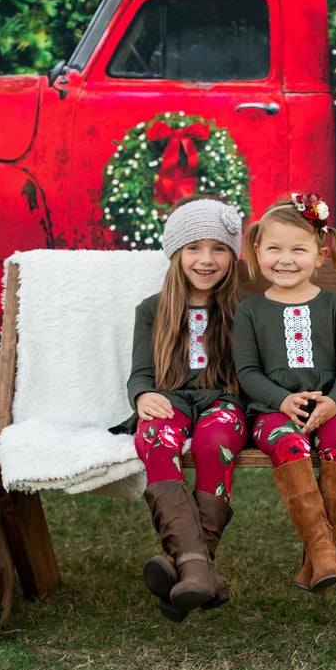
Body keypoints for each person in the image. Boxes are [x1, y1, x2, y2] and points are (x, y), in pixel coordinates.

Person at [116, 196, 247, 622]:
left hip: (223, 401)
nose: (206, 260)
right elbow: (139, 372)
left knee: (215, 445)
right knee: (154, 437)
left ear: (232, 255)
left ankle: (187, 568)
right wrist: (141, 397)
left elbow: (249, 373)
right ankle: (201, 574)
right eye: (194, 248)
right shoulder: (152, 310)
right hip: (170, 399)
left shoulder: (242, 310)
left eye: (219, 248)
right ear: (176, 253)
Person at [234, 193, 336, 593]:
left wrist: (334, 402)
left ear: (320, 255)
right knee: (287, 442)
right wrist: (280, 399)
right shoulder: (251, 311)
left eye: (298, 249)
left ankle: (319, 558)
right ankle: (322, 549)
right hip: (273, 410)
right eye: (274, 248)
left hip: (334, 406)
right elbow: (247, 371)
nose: (286, 259)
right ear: (257, 251)